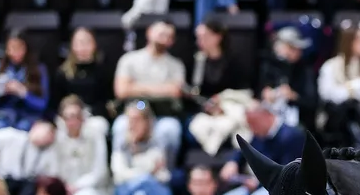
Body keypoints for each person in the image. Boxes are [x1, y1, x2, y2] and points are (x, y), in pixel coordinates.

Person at [112, 20, 187, 161]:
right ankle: (122, 173)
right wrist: (161, 88)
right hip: (132, 113)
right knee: (120, 127)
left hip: (162, 115)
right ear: (149, 33)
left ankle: (164, 176)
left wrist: (136, 87)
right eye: (160, 33)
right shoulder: (129, 60)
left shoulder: (175, 65)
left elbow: (176, 91)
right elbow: (122, 91)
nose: (164, 38)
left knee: (170, 129)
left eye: (168, 35)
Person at [220, 104, 308, 195]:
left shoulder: (291, 136)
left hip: (279, 189)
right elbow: (244, 149)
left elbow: (288, 172)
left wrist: (257, 183)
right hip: (255, 184)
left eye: (253, 123)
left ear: (267, 117)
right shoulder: (259, 133)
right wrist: (233, 162)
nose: (251, 128)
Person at [187, 18, 254, 155]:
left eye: (204, 36)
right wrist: (208, 106)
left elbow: (244, 91)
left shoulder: (234, 61)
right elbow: (194, 92)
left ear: (217, 37)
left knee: (238, 123)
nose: (199, 41)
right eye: (198, 37)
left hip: (231, 106)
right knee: (196, 127)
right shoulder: (197, 61)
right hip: (206, 109)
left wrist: (222, 101)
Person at [316, 22, 360, 147]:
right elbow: (327, 93)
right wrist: (355, 88)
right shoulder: (330, 66)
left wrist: (349, 87)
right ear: (349, 41)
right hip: (337, 122)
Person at [112, 101, 175, 195]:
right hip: (125, 189)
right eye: (129, 120)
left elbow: (162, 174)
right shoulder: (122, 144)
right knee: (146, 180)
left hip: (153, 190)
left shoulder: (156, 142)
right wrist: (146, 173)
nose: (132, 124)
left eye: (136, 120)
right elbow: (119, 174)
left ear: (147, 122)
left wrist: (138, 172)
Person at [54, 96, 111, 195]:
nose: (72, 122)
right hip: (64, 190)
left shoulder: (95, 136)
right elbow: (54, 170)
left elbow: (99, 172)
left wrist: (77, 187)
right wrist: (64, 188)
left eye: (76, 117)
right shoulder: (57, 139)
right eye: (68, 117)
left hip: (91, 189)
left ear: (83, 117)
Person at [52, 29, 112, 137]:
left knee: (97, 127)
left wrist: (87, 113)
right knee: (60, 128)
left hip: (93, 116)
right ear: (72, 46)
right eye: (79, 43)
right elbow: (55, 101)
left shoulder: (103, 70)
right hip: (68, 115)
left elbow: (107, 100)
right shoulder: (62, 73)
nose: (83, 47)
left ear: (94, 45)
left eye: (87, 42)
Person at [0, 31, 49, 131]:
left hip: (28, 117)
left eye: (19, 48)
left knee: (23, 128)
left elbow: (43, 105)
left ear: (26, 48)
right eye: (12, 48)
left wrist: (23, 93)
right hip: (3, 116)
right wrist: (0, 92)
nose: (15, 52)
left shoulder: (39, 69)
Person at [0, 121, 59, 190]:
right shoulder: (12, 135)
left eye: (52, 136)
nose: (48, 137)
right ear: (36, 126)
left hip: (23, 188)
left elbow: (51, 178)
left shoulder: (48, 155)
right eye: (47, 131)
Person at [259, 28, 317, 129]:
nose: (296, 52)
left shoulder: (305, 70)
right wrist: (264, 94)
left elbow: (312, 102)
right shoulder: (268, 66)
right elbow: (257, 92)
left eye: (297, 49)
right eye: (291, 48)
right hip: (269, 118)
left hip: (297, 120)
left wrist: (293, 96)